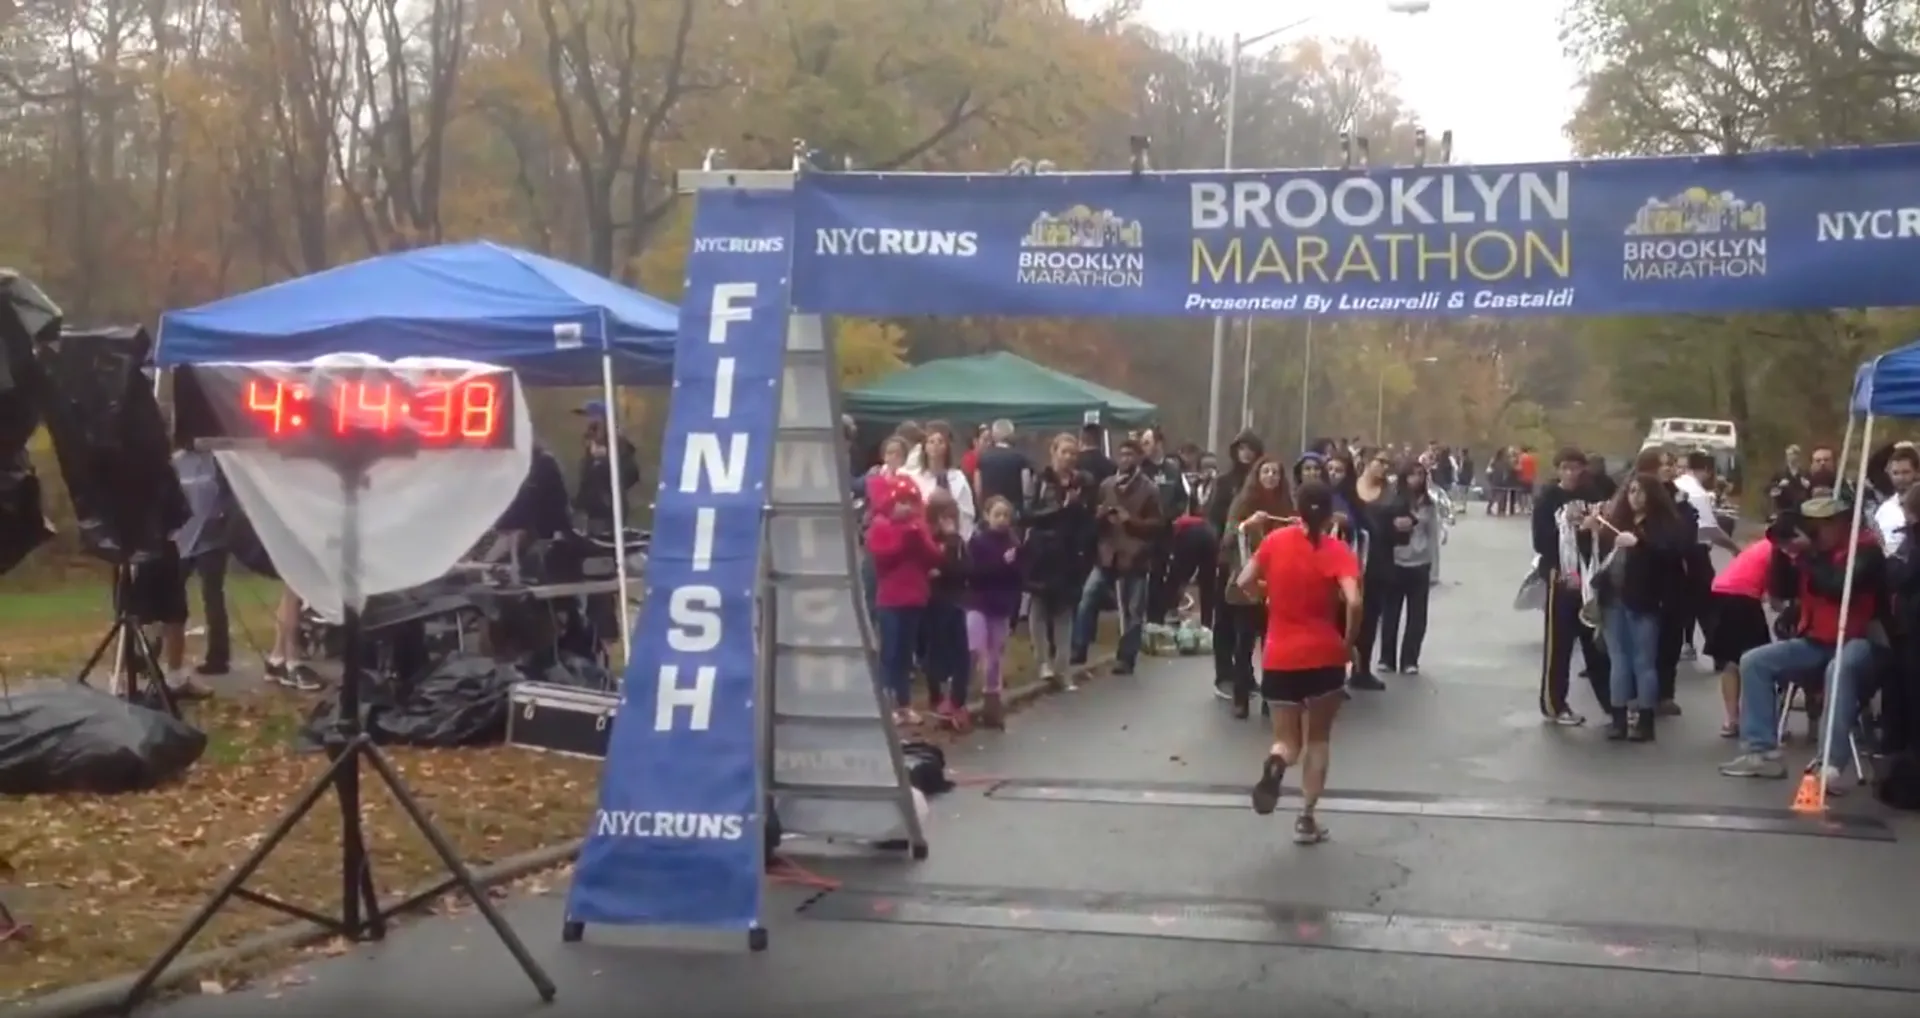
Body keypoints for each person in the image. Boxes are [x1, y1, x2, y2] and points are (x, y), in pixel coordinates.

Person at [1722, 496, 1883, 780]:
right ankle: (1761, 752)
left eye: (1822, 525)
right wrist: (1784, 553)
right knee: (1755, 661)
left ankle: (1830, 764)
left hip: (1859, 642)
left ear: (1841, 522)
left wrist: (1809, 556)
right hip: (1817, 641)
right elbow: (1781, 592)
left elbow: (1837, 586)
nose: (1817, 531)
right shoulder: (1811, 554)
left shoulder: (1865, 550)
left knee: (1839, 669)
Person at [1239, 480, 1360, 845]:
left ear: (1297, 504)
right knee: (1318, 739)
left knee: (1287, 741)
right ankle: (1306, 820)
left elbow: (1242, 580)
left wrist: (1266, 595)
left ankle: (1277, 763)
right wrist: (1348, 643)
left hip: (1280, 656)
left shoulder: (1275, 542)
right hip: (1324, 655)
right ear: (1329, 515)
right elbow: (1354, 602)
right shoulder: (1338, 550)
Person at [1589, 473, 1690, 741]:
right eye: (1631, 491)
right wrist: (1593, 532)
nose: (1635, 497)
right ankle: (1619, 718)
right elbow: (1600, 555)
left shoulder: (1664, 525)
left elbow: (1672, 553)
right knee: (1618, 660)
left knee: (1643, 661)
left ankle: (1646, 720)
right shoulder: (1617, 521)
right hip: (1613, 599)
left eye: (1642, 491)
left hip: (1645, 601)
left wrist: (1640, 543)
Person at [1532, 447, 1612, 725]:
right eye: (1564, 467)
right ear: (1557, 470)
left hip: (1590, 574)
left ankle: (1613, 705)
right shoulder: (1548, 499)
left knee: (1595, 639)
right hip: (1561, 575)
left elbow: (1607, 530)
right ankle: (1554, 703)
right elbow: (1541, 541)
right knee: (1560, 641)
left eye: (1575, 467)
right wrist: (1575, 528)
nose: (1570, 473)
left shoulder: (1594, 496)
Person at [1071, 438, 1162, 676]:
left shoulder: (1149, 489)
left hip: (1135, 555)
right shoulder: (1107, 485)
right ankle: (1078, 648)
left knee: (1134, 610)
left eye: (1130, 455)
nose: (1125, 459)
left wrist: (1130, 521)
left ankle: (1126, 657)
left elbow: (1157, 525)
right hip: (1108, 552)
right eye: (1122, 455)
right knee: (1088, 596)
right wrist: (1100, 516)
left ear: (1139, 458)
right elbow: (1095, 519)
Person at [1219, 456, 1294, 715]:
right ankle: (1240, 697)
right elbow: (1228, 539)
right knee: (1244, 643)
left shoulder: (1286, 505)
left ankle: (1269, 697)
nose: (1271, 477)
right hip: (1247, 583)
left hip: (1278, 584)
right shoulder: (1243, 502)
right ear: (1257, 475)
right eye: (1266, 472)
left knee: (1272, 644)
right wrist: (1246, 525)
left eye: (1276, 472)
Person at [867, 474, 940, 726]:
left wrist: (918, 538)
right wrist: (905, 538)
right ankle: (885, 702)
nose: (906, 507)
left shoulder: (918, 527)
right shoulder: (880, 525)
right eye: (901, 502)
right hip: (890, 600)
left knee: (906, 654)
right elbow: (883, 556)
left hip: (914, 597)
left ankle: (903, 704)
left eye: (910, 502)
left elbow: (933, 555)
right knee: (890, 651)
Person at [1023, 434, 1094, 689]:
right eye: (1064, 452)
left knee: (1065, 611)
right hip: (1043, 550)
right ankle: (1043, 661)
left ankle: (1063, 668)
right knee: (1039, 606)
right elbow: (1029, 513)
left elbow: (1087, 518)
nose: (1069, 458)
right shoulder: (1040, 480)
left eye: (1073, 453)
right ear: (1053, 452)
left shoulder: (1081, 482)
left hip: (1070, 552)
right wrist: (1062, 507)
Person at [170, 434, 231, 680]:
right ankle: (156, 653)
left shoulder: (217, 462)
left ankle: (218, 657)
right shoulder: (176, 463)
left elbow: (227, 497)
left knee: (212, 596)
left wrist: (221, 522)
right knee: (171, 598)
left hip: (211, 540)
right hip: (181, 540)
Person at [1706, 535, 1777, 739]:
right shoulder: (1781, 551)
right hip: (1743, 598)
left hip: (1721, 591)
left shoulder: (1760, 546)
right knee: (1758, 661)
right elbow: (1776, 598)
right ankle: (1760, 720)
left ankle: (1731, 720)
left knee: (1730, 662)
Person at [1378, 461, 1442, 675]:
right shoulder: (1393, 501)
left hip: (1419, 563)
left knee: (1417, 616)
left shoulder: (1428, 505)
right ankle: (1387, 657)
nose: (1417, 479)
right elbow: (1381, 529)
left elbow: (1433, 536)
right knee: (1390, 613)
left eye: (1421, 475)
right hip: (1396, 562)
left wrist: (1434, 569)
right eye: (1413, 475)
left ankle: (1410, 659)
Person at [966, 497, 1023, 729]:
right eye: (997, 515)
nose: (1001, 520)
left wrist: (1014, 564)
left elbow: (1018, 576)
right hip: (977, 601)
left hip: (1000, 605)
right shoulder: (978, 542)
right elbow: (976, 571)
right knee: (975, 647)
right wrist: (1002, 563)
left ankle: (992, 702)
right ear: (987, 516)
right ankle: (964, 692)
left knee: (995, 655)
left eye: (1005, 515)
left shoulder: (1013, 543)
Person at [923, 490, 972, 728]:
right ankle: (938, 697)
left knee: (960, 653)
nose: (947, 520)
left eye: (951, 515)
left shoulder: (957, 542)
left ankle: (957, 700)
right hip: (932, 601)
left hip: (954, 600)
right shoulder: (926, 539)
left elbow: (963, 570)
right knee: (934, 651)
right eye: (942, 515)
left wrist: (951, 542)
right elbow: (927, 569)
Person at [1349, 448, 1398, 687]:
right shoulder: (1351, 489)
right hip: (1350, 560)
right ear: (1367, 462)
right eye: (1380, 462)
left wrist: (1401, 528)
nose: (1384, 467)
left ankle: (1362, 669)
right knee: (1346, 615)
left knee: (1370, 617)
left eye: (1388, 464)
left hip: (1378, 562)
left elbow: (1401, 523)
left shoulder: (1391, 493)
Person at [1139, 426, 1190, 622]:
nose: (1144, 447)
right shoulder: (1141, 469)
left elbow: (1182, 498)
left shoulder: (1173, 469)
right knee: (1144, 575)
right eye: (1142, 443)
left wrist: (1171, 514)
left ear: (1159, 443)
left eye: (1147, 443)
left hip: (1166, 530)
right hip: (1143, 529)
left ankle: (1157, 617)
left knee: (1161, 573)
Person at [572, 401, 639, 537]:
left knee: (605, 545)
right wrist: (578, 505)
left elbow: (631, 475)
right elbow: (587, 479)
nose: (587, 421)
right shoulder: (591, 444)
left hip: (607, 510)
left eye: (591, 416)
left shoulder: (617, 444)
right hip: (592, 511)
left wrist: (604, 461)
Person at [974, 419, 1032, 513]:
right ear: (1012, 435)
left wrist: (982, 508)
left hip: (990, 511)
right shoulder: (1021, 459)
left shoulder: (983, 459)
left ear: (994, 435)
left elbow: (978, 490)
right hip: (1014, 511)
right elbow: (1027, 490)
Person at [1872, 443, 1920, 554]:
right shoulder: (1884, 511)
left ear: (1917, 473)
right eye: (1895, 473)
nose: (1900, 478)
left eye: (1906, 472)